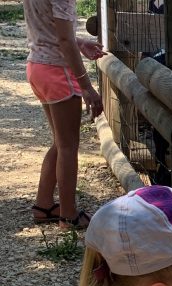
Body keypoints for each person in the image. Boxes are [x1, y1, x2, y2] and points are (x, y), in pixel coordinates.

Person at [23, 0, 105, 229]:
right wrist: (86, 87)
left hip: (37, 66)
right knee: (68, 146)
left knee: (60, 143)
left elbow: (50, 29)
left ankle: (44, 205)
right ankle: (69, 215)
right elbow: (64, 39)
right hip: (56, 71)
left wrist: (80, 43)